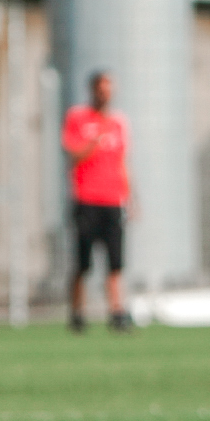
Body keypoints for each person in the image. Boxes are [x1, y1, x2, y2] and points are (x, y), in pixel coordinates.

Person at [62, 70, 131, 333]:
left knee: (116, 261)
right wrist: (94, 141)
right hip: (86, 199)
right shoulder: (78, 118)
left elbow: (123, 161)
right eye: (101, 89)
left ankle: (117, 312)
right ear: (93, 90)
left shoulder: (118, 122)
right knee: (83, 262)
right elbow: (73, 154)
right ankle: (78, 313)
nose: (105, 94)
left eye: (109, 89)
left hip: (113, 201)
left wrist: (129, 195)